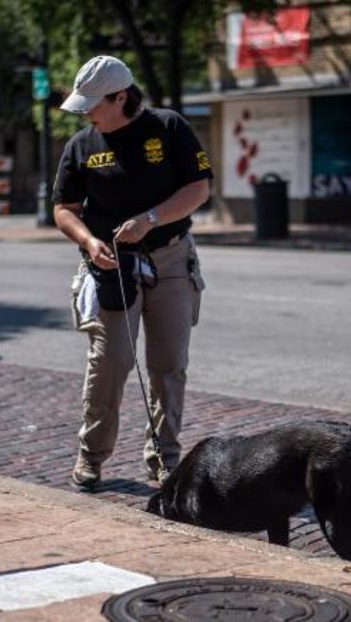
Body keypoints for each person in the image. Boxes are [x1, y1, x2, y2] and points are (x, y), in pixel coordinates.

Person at [52, 55, 213, 491]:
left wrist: (152, 218)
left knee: (168, 365)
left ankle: (165, 459)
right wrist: (87, 241)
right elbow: (63, 211)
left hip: (171, 259)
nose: (86, 113)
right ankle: (91, 456)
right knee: (110, 362)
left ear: (121, 97)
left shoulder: (169, 127)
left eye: (93, 104)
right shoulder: (82, 145)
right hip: (111, 267)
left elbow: (199, 187)